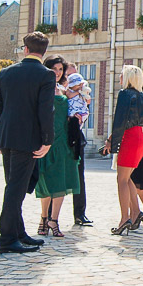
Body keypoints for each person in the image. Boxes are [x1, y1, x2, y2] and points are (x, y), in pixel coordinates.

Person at [0, 32, 55, 255]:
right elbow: (45, 111)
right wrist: (48, 140)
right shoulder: (45, 75)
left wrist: (0, 136)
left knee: (13, 187)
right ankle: (7, 239)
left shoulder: (6, 73)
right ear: (44, 52)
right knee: (15, 190)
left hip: (7, 137)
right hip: (27, 140)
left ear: (25, 49)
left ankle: (18, 233)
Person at [103, 64, 143, 235]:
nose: (119, 78)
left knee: (121, 179)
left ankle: (125, 218)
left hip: (130, 137)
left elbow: (120, 121)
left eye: (121, 75)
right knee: (128, 178)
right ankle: (135, 211)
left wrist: (112, 143)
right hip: (142, 138)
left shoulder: (125, 94)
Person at [34, 56, 77, 238]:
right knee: (46, 181)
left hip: (63, 141)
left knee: (61, 181)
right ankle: (44, 217)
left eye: (60, 69)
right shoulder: (41, 89)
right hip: (46, 140)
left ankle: (54, 219)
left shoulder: (63, 90)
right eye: (54, 69)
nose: (58, 72)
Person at [64, 62, 93, 228]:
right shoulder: (60, 91)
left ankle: (80, 213)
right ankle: (50, 216)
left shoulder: (80, 94)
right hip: (61, 136)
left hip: (77, 136)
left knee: (79, 176)